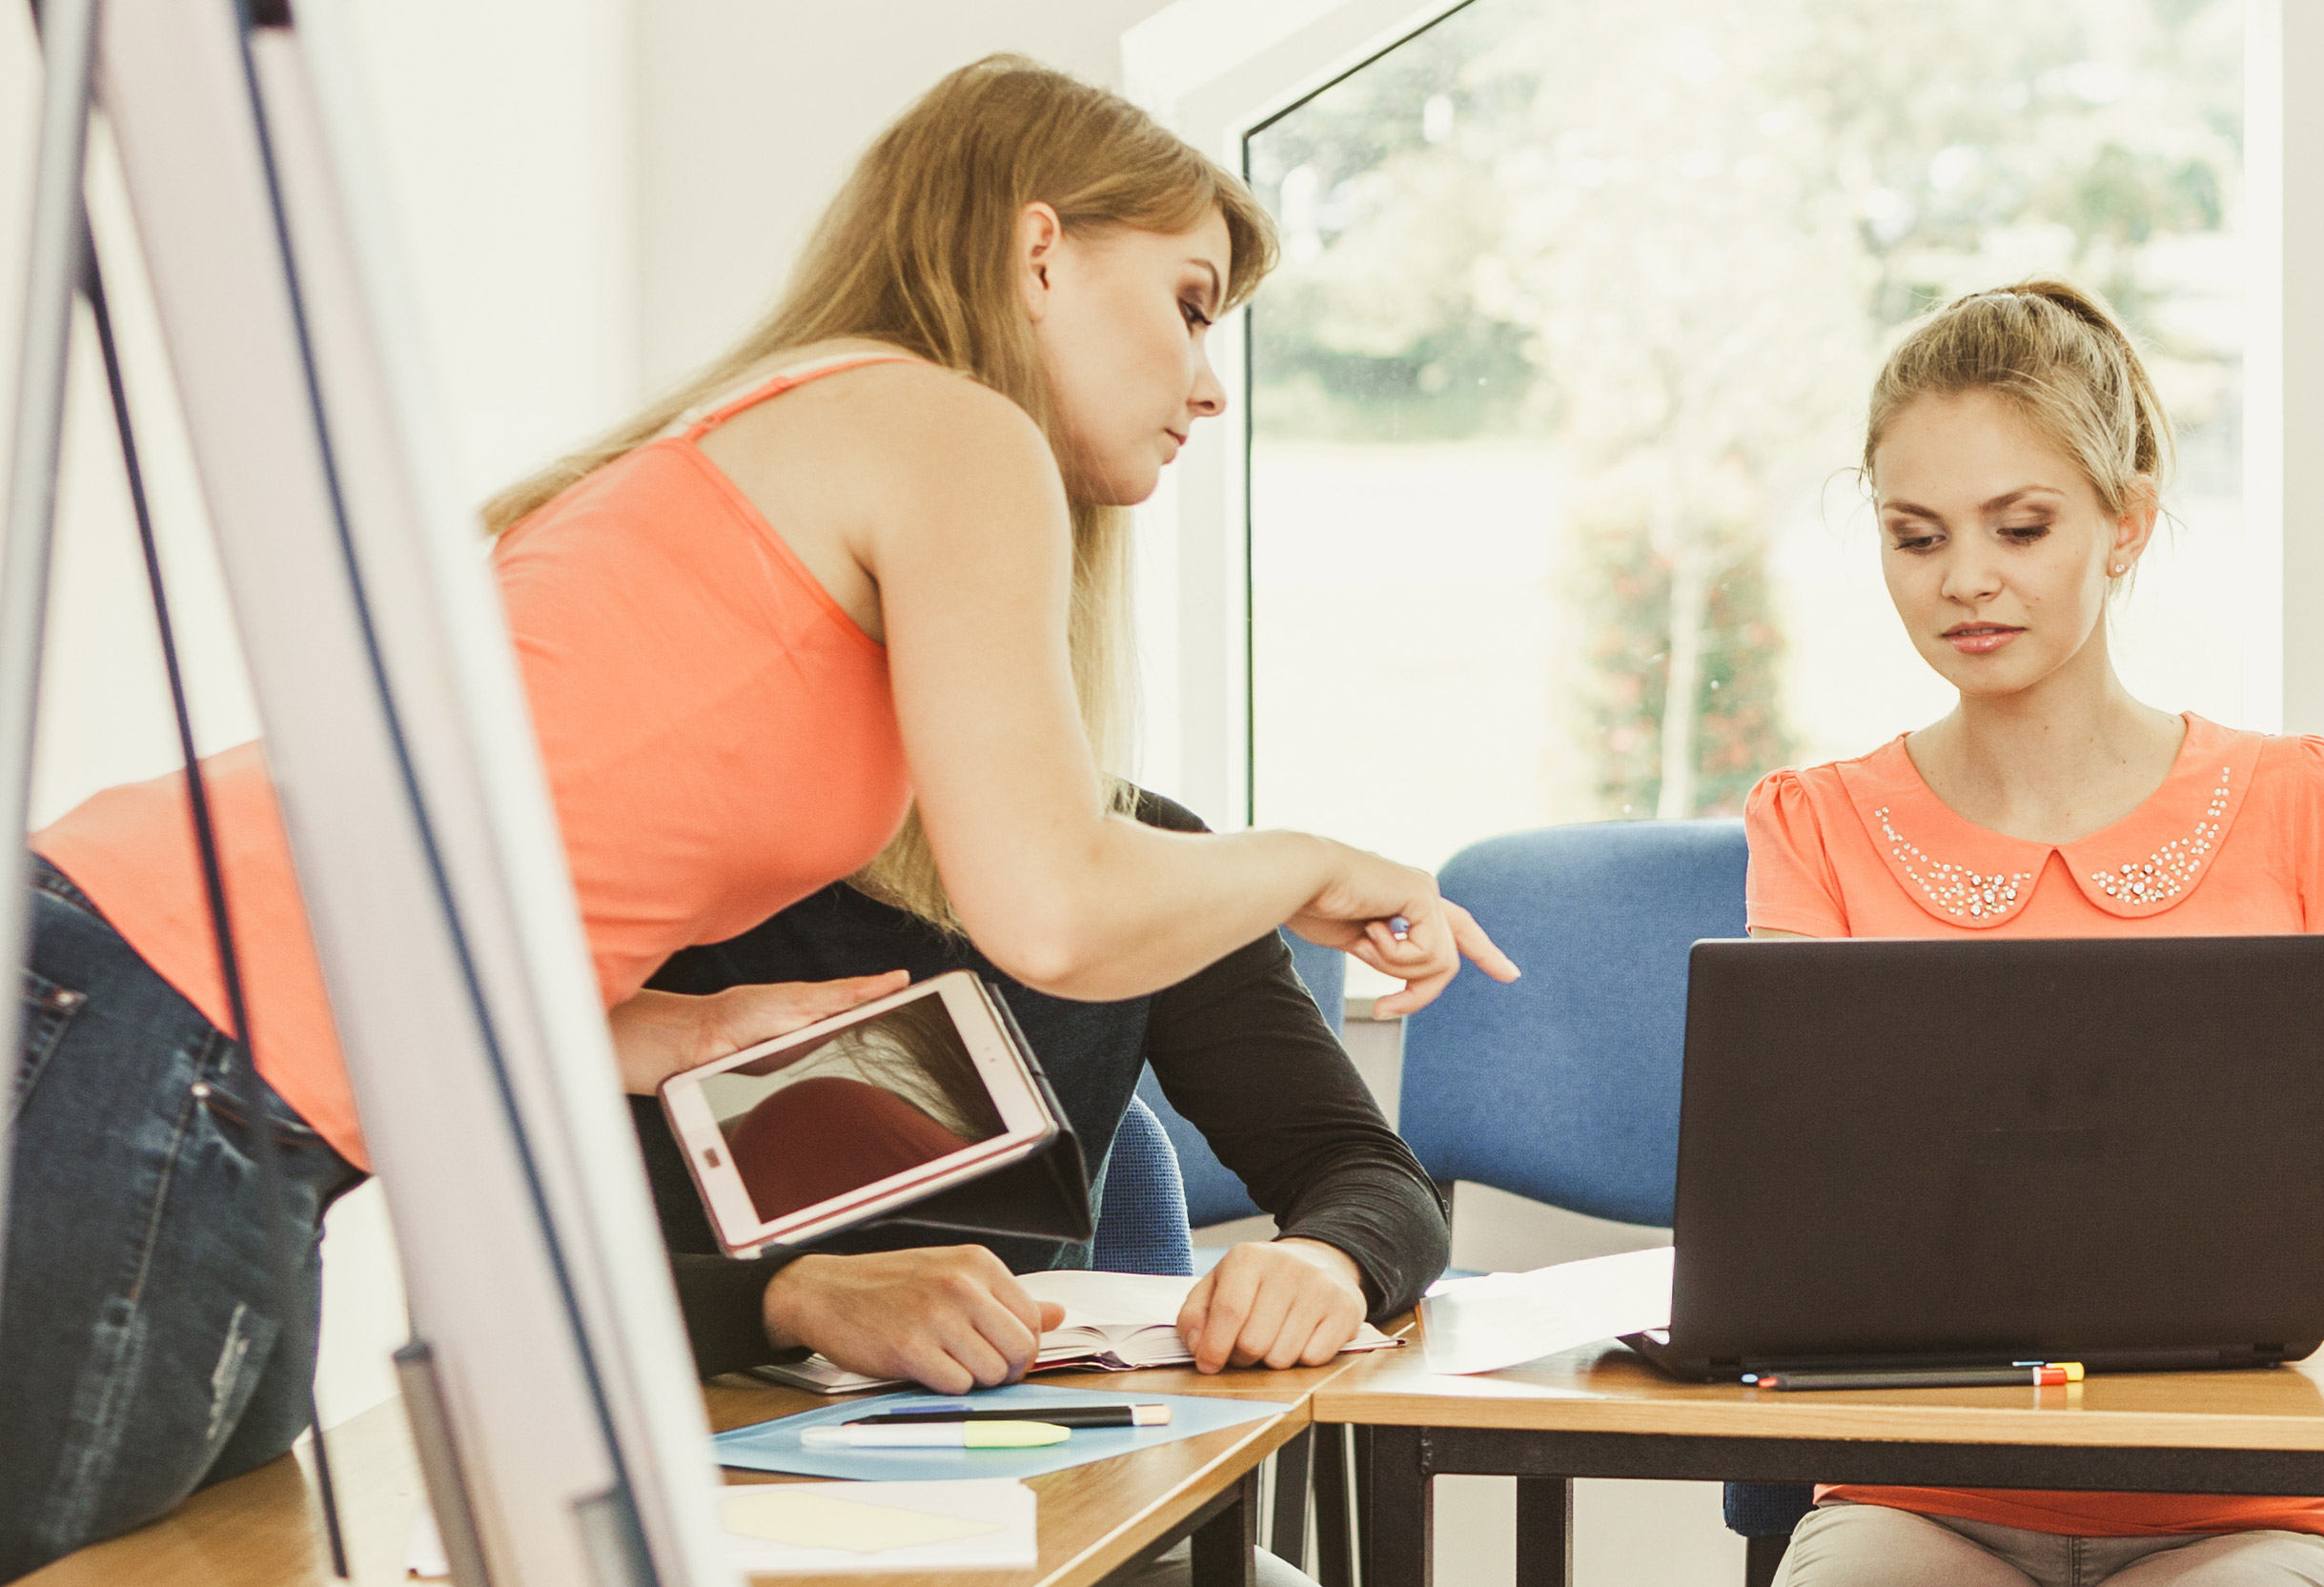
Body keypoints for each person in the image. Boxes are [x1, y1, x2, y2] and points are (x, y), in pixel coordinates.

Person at [2, 56, 1511, 1574]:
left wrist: (631, 1028)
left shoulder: (786, 436)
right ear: (1039, 251)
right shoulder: (946, 427)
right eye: (1189, 303)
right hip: (176, 1021)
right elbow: (1051, 908)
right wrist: (1309, 858)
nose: (1209, 380)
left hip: (211, 1048)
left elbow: (454, 864)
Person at [1742, 281, 2324, 1587]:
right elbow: (1805, 1214)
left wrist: (2179, 1269)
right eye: (1916, 539)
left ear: (2124, 524)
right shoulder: (1815, 825)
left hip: (2251, 1507)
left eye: (2019, 528)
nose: (1967, 579)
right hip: (1919, 1498)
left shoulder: (2299, 799)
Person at [627, 787, 1449, 1395]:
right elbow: (508, 1301)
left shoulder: (1147, 861)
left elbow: (1366, 1174)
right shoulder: (619, 863)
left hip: (1020, 1449)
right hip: (679, 1444)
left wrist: (1323, 1260)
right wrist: (787, 1298)